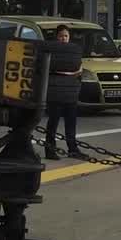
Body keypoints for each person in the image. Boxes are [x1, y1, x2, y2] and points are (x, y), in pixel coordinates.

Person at [44, 25, 83, 160]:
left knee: (71, 122)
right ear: (57, 37)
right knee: (53, 122)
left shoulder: (73, 51)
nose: (64, 39)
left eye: (66, 36)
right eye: (61, 36)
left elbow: (78, 68)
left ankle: (73, 149)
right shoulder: (52, 50)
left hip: (70, 92)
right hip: (55, 91)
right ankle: (49, 150)